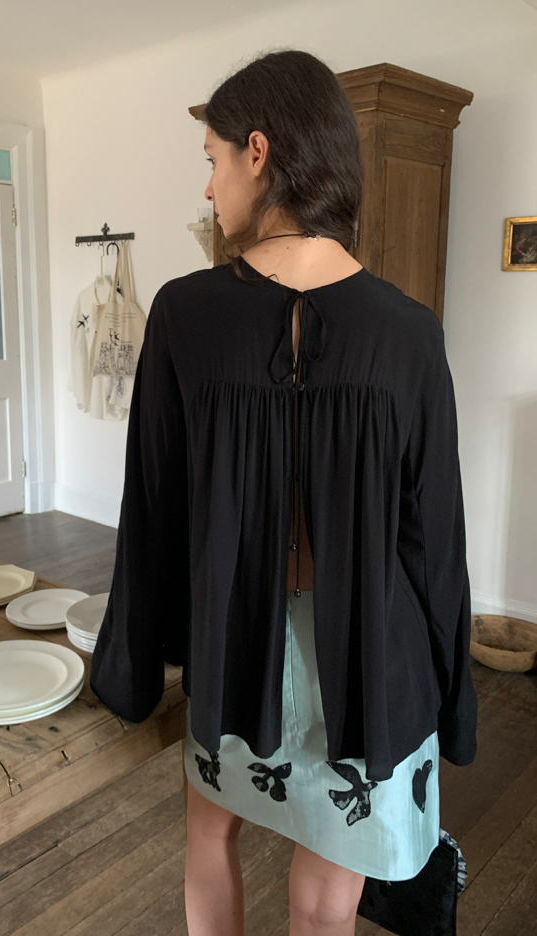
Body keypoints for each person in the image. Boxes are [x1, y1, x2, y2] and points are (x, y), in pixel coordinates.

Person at [90, 48, 478, 936]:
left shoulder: (184, 314)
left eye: (213, 160)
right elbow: (435, 537)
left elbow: (152, 510)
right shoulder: (411, 333)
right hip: (371, 656)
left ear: (257, 151)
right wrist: (451, 696)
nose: (209, 187)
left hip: (235, 642)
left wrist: (135, 666)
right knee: (325, 904)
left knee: (208, 837)